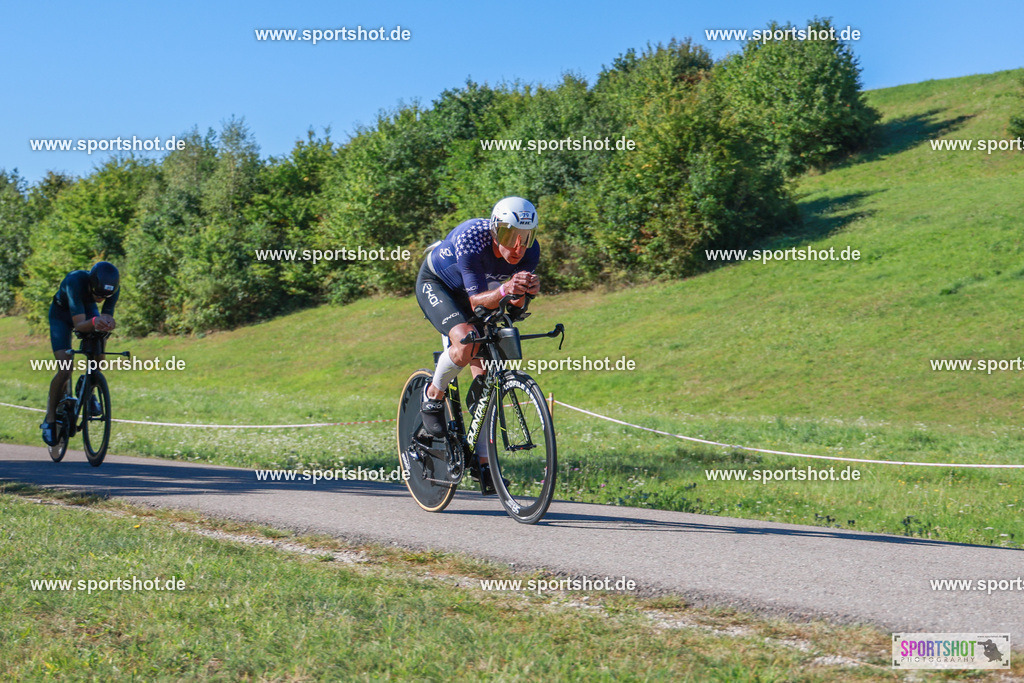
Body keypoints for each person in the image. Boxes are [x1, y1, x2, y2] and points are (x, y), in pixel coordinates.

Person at [414, 197, 541, 494]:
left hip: (483, 295)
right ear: (496, 231)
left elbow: (514, 310)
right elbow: (473, 302)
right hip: (440, 286)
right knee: (466, 341)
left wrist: (524, 293)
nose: (519, 247)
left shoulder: (530, 252)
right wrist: (505, 289)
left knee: (486, 381)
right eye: (511, 236)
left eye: (527, 237)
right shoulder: (473, 237)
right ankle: (433, 395)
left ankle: (483, 464)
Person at [40, 261, 120, 446]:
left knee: (100, 354)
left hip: (86, 310)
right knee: (65, 368)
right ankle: (50, 419)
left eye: (105, 297)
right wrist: (97, 321)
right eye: (97, 295)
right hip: (62, 315)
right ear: (91, 284)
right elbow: (79, 324)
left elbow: (106, 314)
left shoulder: (112, 289)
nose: (101, 300)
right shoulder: (74, 281)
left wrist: (107, 322)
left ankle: (88, 385)